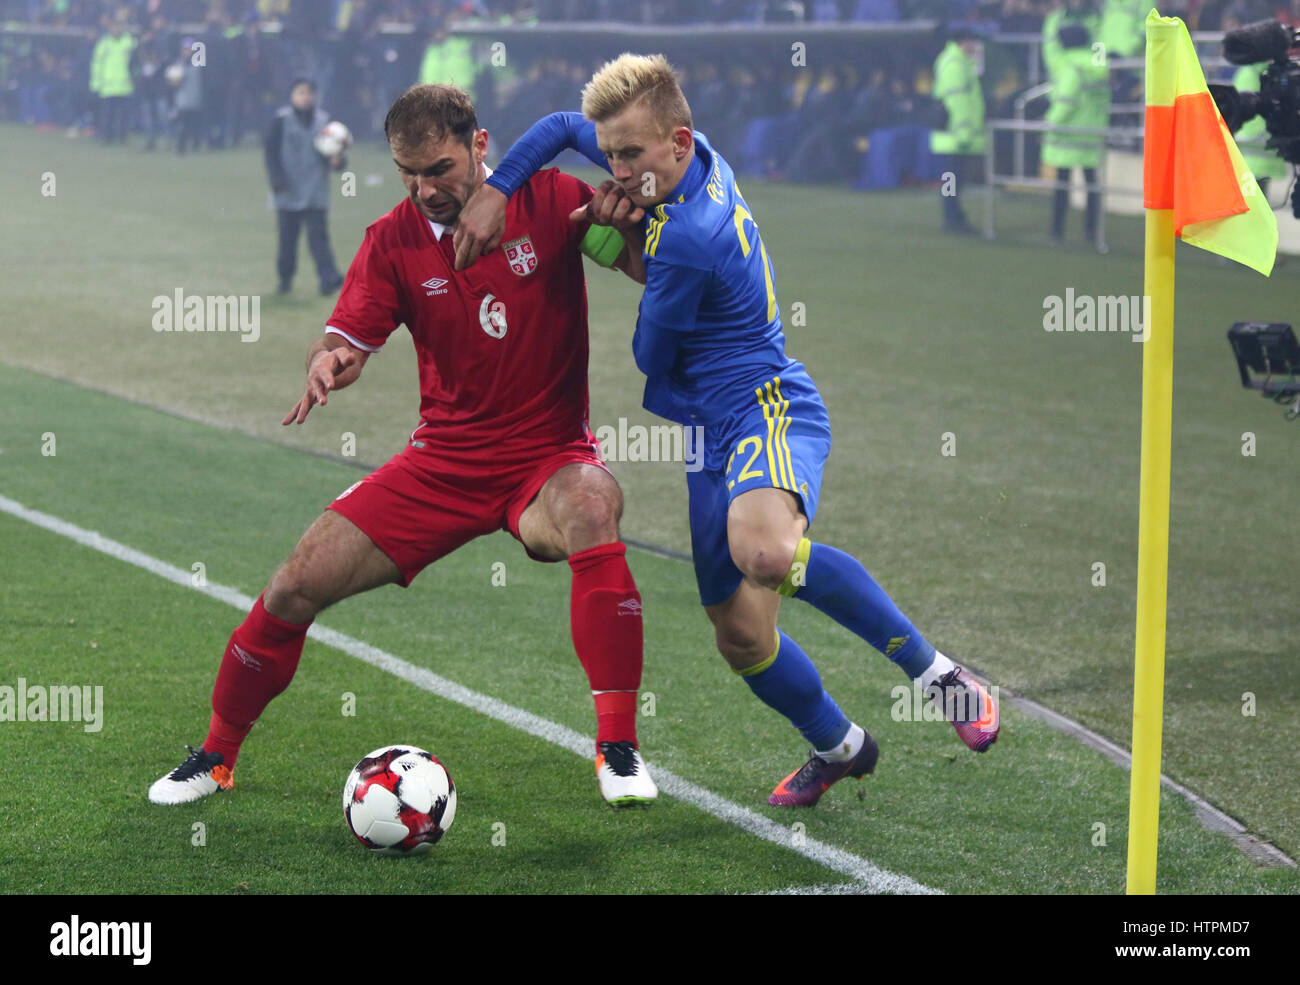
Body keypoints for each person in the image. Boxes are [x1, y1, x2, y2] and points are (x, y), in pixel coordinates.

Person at [453, 54, 1000, 808]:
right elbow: (554, 127)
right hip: (710, 433)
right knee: (740, 636)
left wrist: (609, 242)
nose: (617, 167)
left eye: (631, 155)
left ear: (677, 142)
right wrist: (499, 191)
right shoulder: (685, 158)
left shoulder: (690, 235)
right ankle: (839, 744)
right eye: (609, 152)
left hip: (766, 406)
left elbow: (650, 351)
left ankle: (943, 678)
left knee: (766, 552)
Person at [149, 83, 659, 810]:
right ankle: (215, 755)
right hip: (444, 463)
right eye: (408, 173)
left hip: (546, 457)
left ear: (480, 147)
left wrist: (629, 227)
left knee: (592, 503)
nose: (426, 189)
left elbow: (643, 268)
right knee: (295, 583)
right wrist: (331, 360)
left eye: (440, 170)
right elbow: (349, 335)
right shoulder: (391, 241)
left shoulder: (549, 199)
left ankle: (617, 746)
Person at [264, 78, 345, 295]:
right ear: (292, 95)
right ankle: (285, 278)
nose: (305, 97)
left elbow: (333, 154)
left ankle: (328, 278)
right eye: (300, 92)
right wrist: (277, 180)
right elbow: (270, 153)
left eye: (309, 93)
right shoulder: (281, 120)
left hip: (315, 188)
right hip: (287, 190)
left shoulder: (325, 123)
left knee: (319, 238)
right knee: (287, 241)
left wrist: (338, 161)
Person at [1042, 24, 1110, 246]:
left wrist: (1048, 123)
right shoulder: (1099, 65)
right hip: (1092, 133)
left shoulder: (1070, 67)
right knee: (1092, 184)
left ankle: (1056, 231)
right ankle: (1091, 231)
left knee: (1062, 183)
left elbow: (1065, 102)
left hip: (1068, 136)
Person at [929, 27, 986, 233]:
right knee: (952, 180)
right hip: (954, 136)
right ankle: (952, 218)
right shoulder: (956, 64)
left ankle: (953, 215)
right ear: (964, 41)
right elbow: (958, 102)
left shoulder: (956, 61)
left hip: (951, 136)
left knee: (952, 180)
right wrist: (964, 132)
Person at [89, 17, 135, 143]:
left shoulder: (129, 42)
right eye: (114, 26)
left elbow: (135, 62)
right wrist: (96, 83)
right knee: (108, 114)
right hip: (108, 86)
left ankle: (122, 137)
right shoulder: (104, 43)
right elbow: (96, 64)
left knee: (123, 115)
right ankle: (107, 137)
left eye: (120, 26)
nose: (117, 29)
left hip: (124, 85)